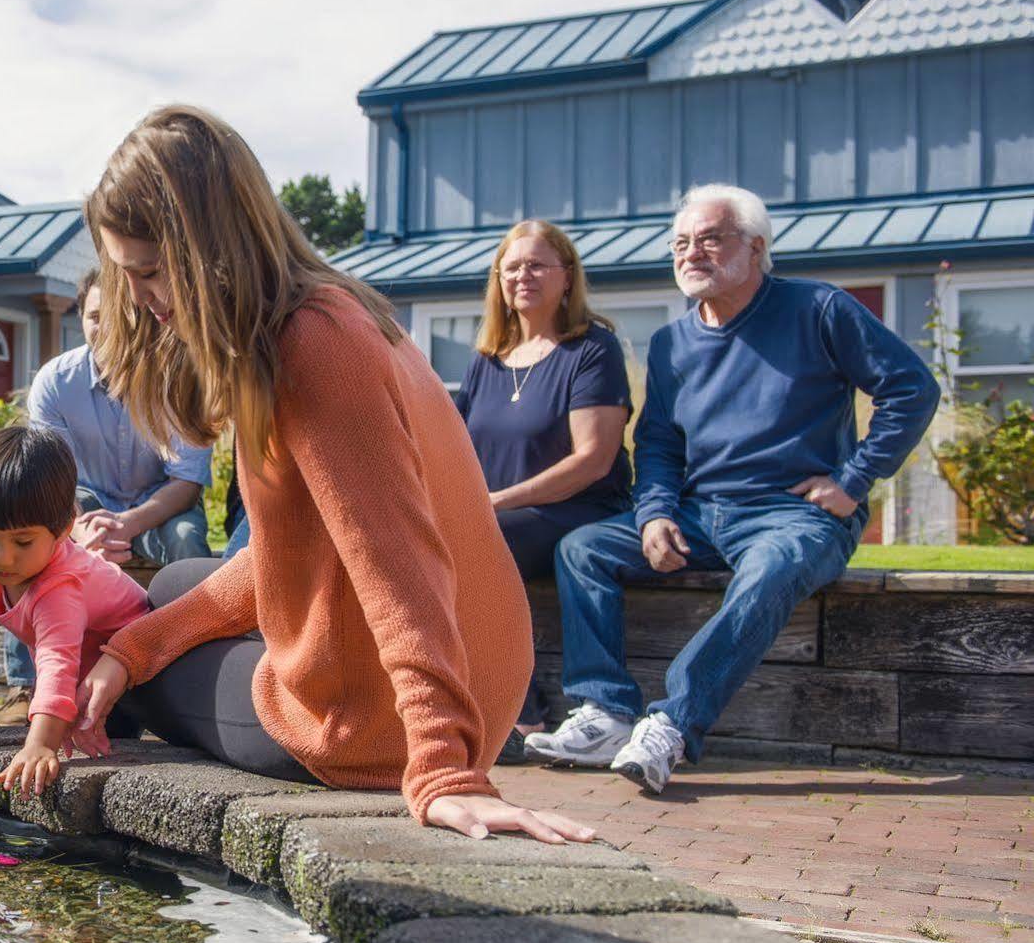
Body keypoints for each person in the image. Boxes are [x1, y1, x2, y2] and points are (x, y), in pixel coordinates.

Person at [73, 105, 597, 844]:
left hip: (383, 720)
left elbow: (396, 558)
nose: (143, 300)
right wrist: (135, 648)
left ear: (205, 250)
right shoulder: (334, 311)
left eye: (151, 273)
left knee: (131, 653)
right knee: (160, 600)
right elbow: (302, 553)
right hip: (476, 660)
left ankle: (111, 869)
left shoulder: (312, 346)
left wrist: (443, 766)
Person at [529, 184, 941, 793]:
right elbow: (661, 446)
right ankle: (608, 713)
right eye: (680, 243)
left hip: (793, 514)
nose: (692, 253)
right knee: (583, 547)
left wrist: (853, 480)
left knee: (774, 564)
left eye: (710, 239)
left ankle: (672, 723)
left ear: (755, 247)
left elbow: (912, 388)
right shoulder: (671, 344)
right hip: (699, 515)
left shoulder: (819, 309)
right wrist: (655, 514)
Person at [0, 268, 213, 721]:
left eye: (114, 316)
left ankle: (192, 671)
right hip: (81, 501)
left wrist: (127, 524)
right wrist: (79, 527)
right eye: (93, 316)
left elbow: (186, 484)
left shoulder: (176, 377)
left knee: (189, 540)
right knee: (29, 532)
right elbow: (51, 478)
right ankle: (23, 686)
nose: (103, 328)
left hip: (160, 502)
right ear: (81, 317)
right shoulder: (56, 381)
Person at [454, 220, 633, 761]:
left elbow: (591, 461)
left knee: (472, 543)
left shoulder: (592, 350)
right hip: (500, 516)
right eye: (511, 267)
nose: (522, 276)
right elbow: (456, 448)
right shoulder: (487, 359)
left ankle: (517, 713)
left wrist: (495, 503)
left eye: (536, 265)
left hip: (577, 511)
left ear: (566, 277)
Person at [0, 425, 151, 797]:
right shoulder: (14, 557)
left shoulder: (59, 591)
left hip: (134, 677)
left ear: (64, 528)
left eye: (22, 541)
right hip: (90, 660)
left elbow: (57, 664)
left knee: (96, 737)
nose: (2, 558)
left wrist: (40, 744)